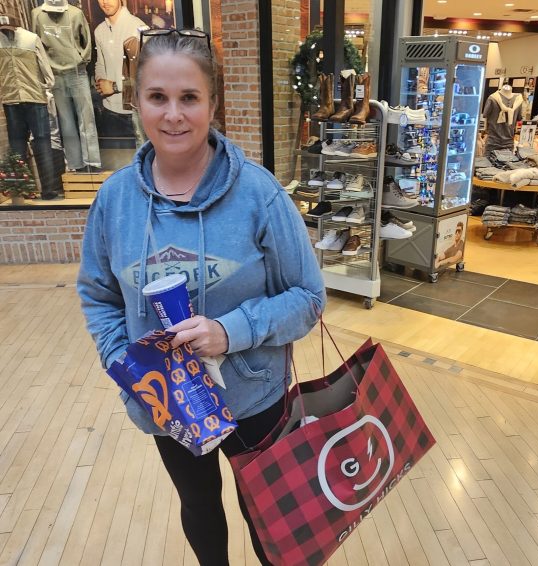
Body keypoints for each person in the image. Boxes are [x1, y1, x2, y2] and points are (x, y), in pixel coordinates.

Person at [77, 29, 326, 565]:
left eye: (189, 98)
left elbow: (308, 297)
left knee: (269, 516)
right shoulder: (115, 200)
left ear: (213, 103)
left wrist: (229, 331)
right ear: (135, 100)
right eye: (157, 97)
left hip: (256, 397)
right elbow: (98, 295)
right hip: (169, 402)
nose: (173, 115)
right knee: (199, 506)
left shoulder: (259, 194)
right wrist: (125, 362)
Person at [94, 0, 146, 143]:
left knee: (140, 160)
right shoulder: (99, 30)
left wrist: (115, 86)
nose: (104, 2)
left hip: (134, 111)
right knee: (116, 161)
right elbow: (100, 62)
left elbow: (147, 75)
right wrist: (101, 82)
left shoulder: (138, 27)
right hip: (109, 109)